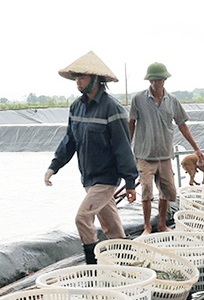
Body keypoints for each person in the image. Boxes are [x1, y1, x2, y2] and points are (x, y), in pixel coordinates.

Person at [45, 51, 138, 264]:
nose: (78, 81)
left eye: (82, 77)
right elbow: (70, 141)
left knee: (82, 219)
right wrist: (54, 167)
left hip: (106, 179)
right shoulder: (76, 107)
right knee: (111, 226)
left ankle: (93, 265)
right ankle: (128, 263)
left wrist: (130, 181)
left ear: (95, 79)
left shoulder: (111, 108)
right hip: (88, 177)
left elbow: (122, 147)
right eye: (76, 77)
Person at [130, 62, 204, 235]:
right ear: (149, 81)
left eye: (160, 79)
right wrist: (127, 147)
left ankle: (162, 224)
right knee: (146, 190)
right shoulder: (139, 99)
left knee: (168, 191)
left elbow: (182, 125)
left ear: (165, 80)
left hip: (164, 155)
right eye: (153, 80)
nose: (157, 83)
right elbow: (132, 122)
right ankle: (147, 226)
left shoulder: (172, 101)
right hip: (144, 154)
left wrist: (196, 148)